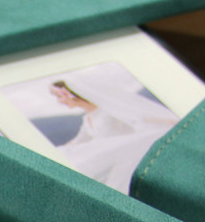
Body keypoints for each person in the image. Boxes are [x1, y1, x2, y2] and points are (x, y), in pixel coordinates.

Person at [48, 74, 177, 193]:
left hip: (128, 155)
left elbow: (139, 118)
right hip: (113, 159)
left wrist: (168, 121)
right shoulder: (87, 119)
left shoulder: (106, 111)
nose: (59, 101)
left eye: (59, 96)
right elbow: (78, 141)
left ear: (70, 94)